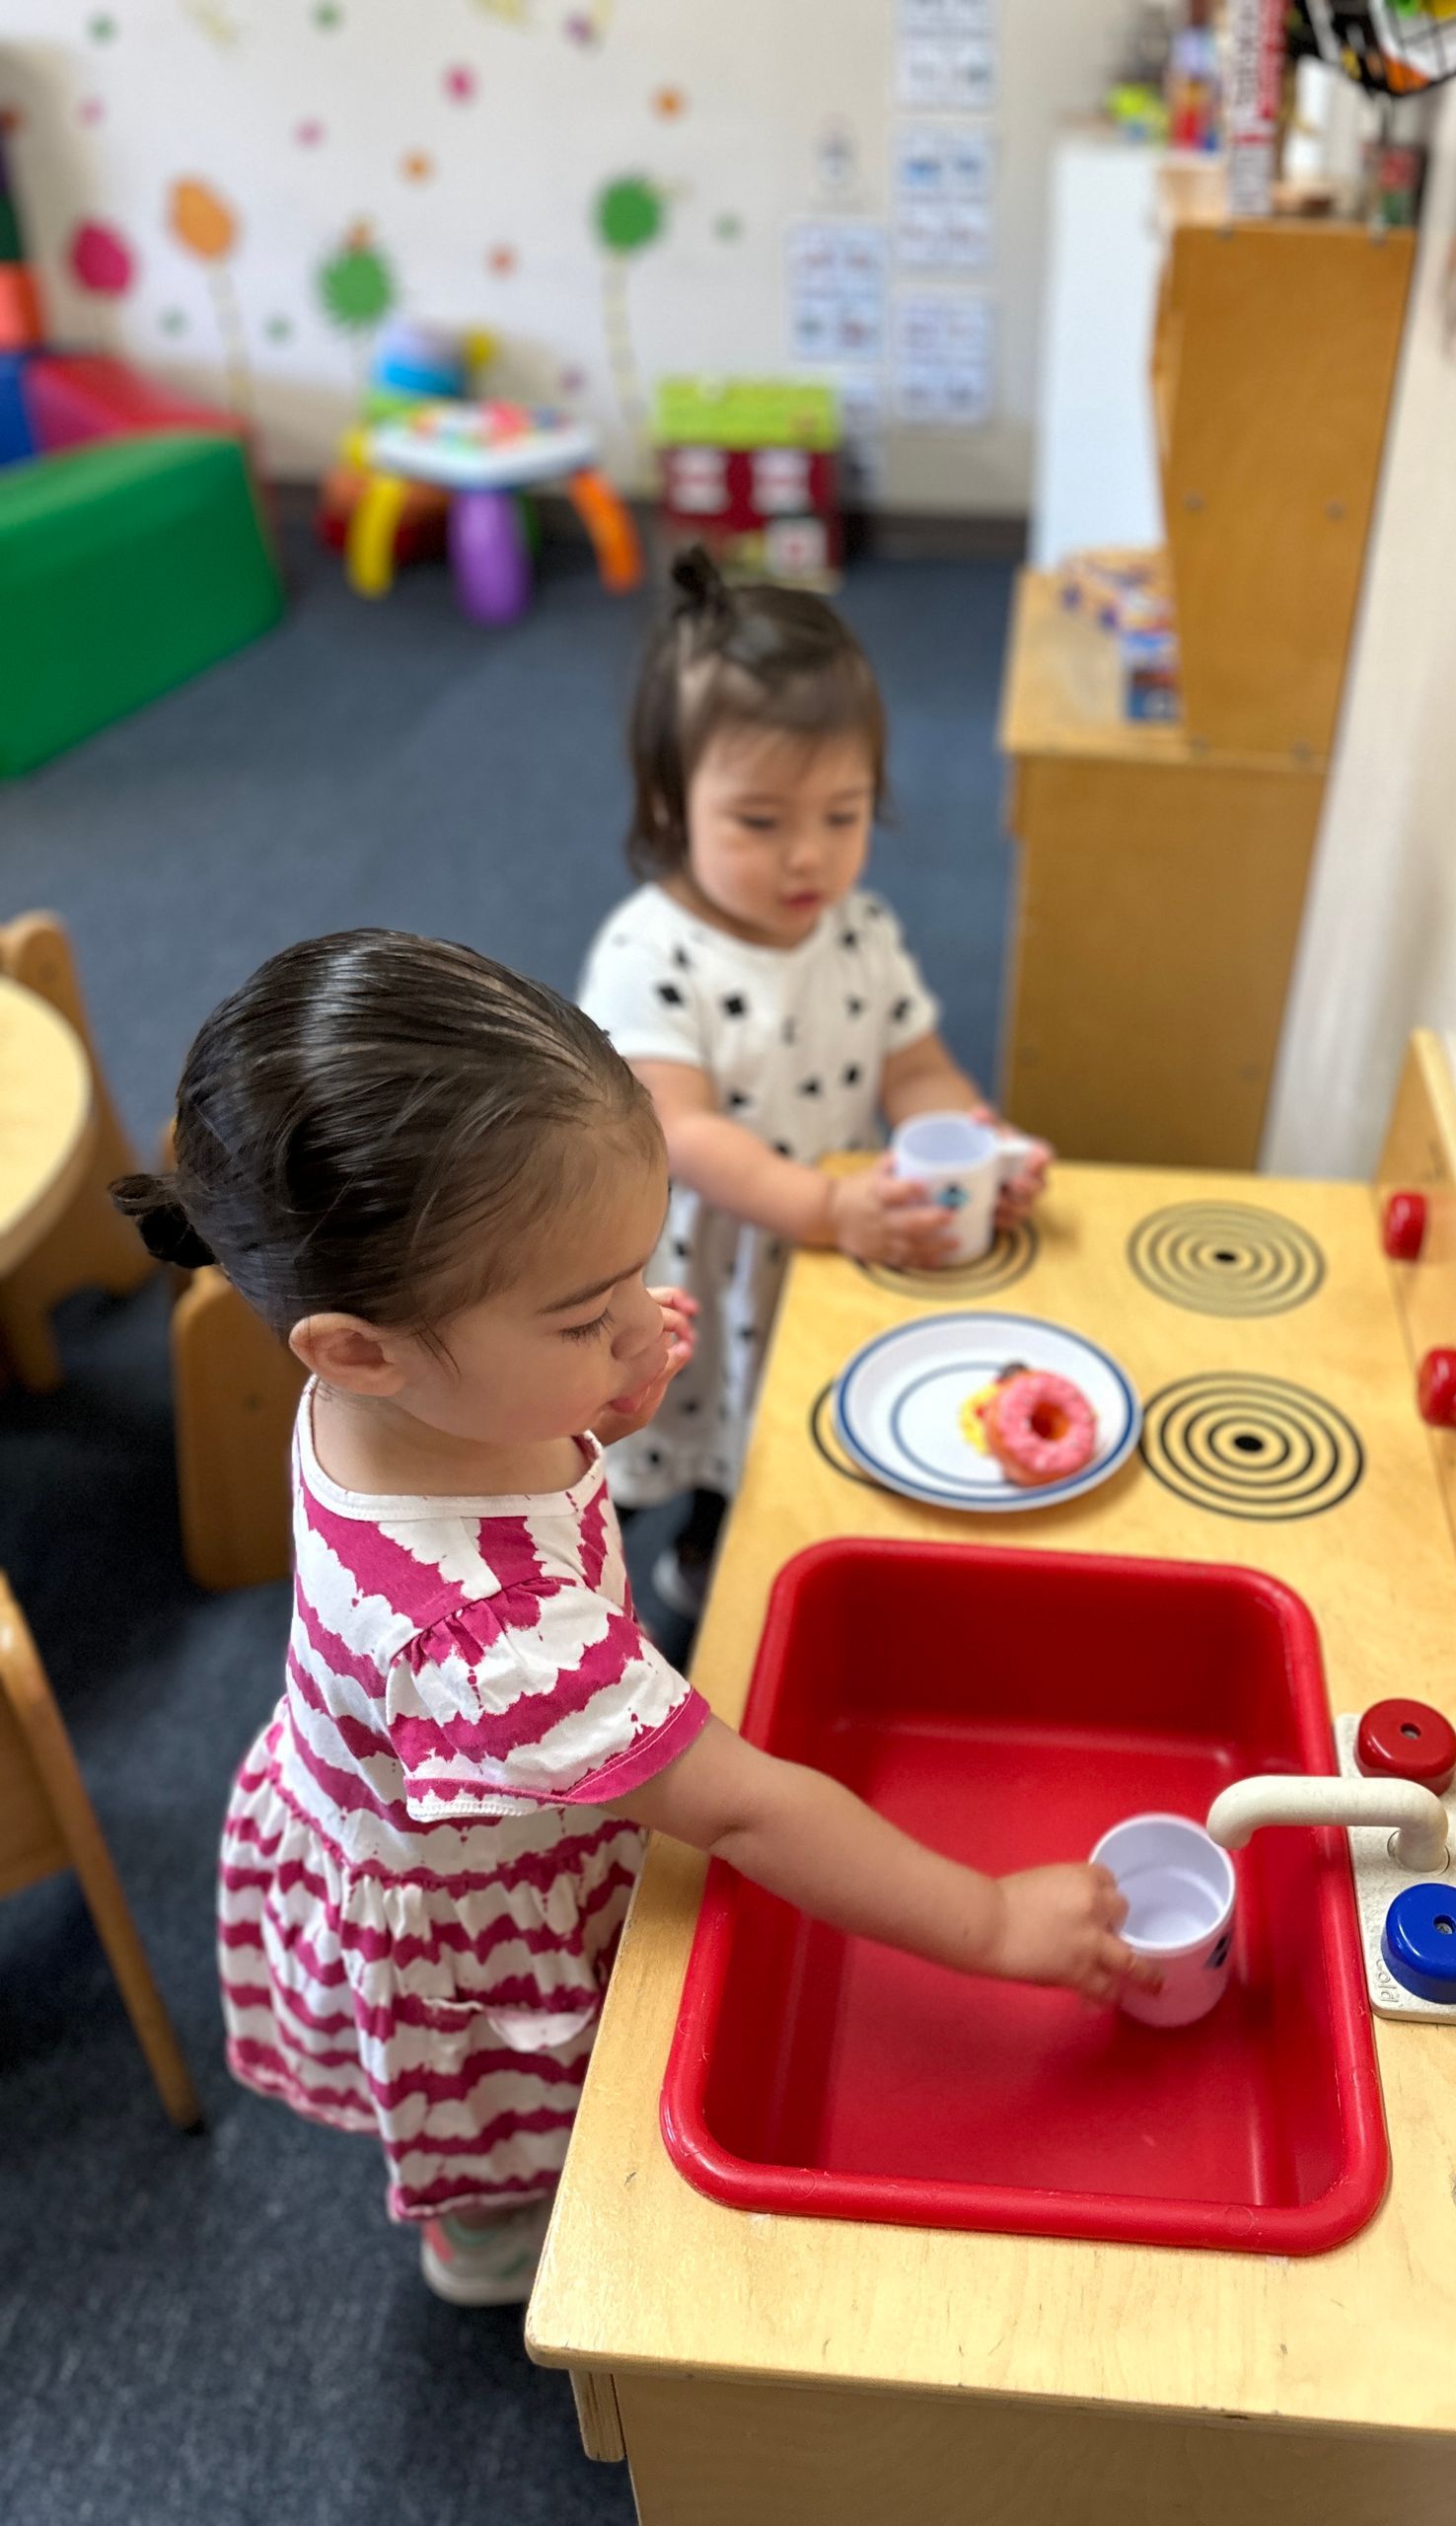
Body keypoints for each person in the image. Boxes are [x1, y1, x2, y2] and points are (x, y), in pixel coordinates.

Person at [114, 931, 1144, 2307]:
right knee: (515, 2121)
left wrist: (580, 1381)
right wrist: (992, 1920)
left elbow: (504, 1422)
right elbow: (746, 1810)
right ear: (358, 1348)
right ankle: (484, 2238)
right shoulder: (490, 1639)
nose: (639, 1328)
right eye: (585, 1312)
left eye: (629, 1279)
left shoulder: (403, 1392)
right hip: (468, 1908)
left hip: (434, 1780)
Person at [578, 548, 1049, 1615]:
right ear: (670, 798)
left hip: (825, 1245)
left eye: (843, 816)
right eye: (761, 820)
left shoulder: (861, 932)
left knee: (792, 1427)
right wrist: (828, 1205)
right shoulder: (651, 952)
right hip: (700, 1268)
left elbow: (916, 1066)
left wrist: (971, 1145)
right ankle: (656, 1574)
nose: (809, 858)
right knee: (677, 1436)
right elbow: (685, 1131)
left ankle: (742, 1541)